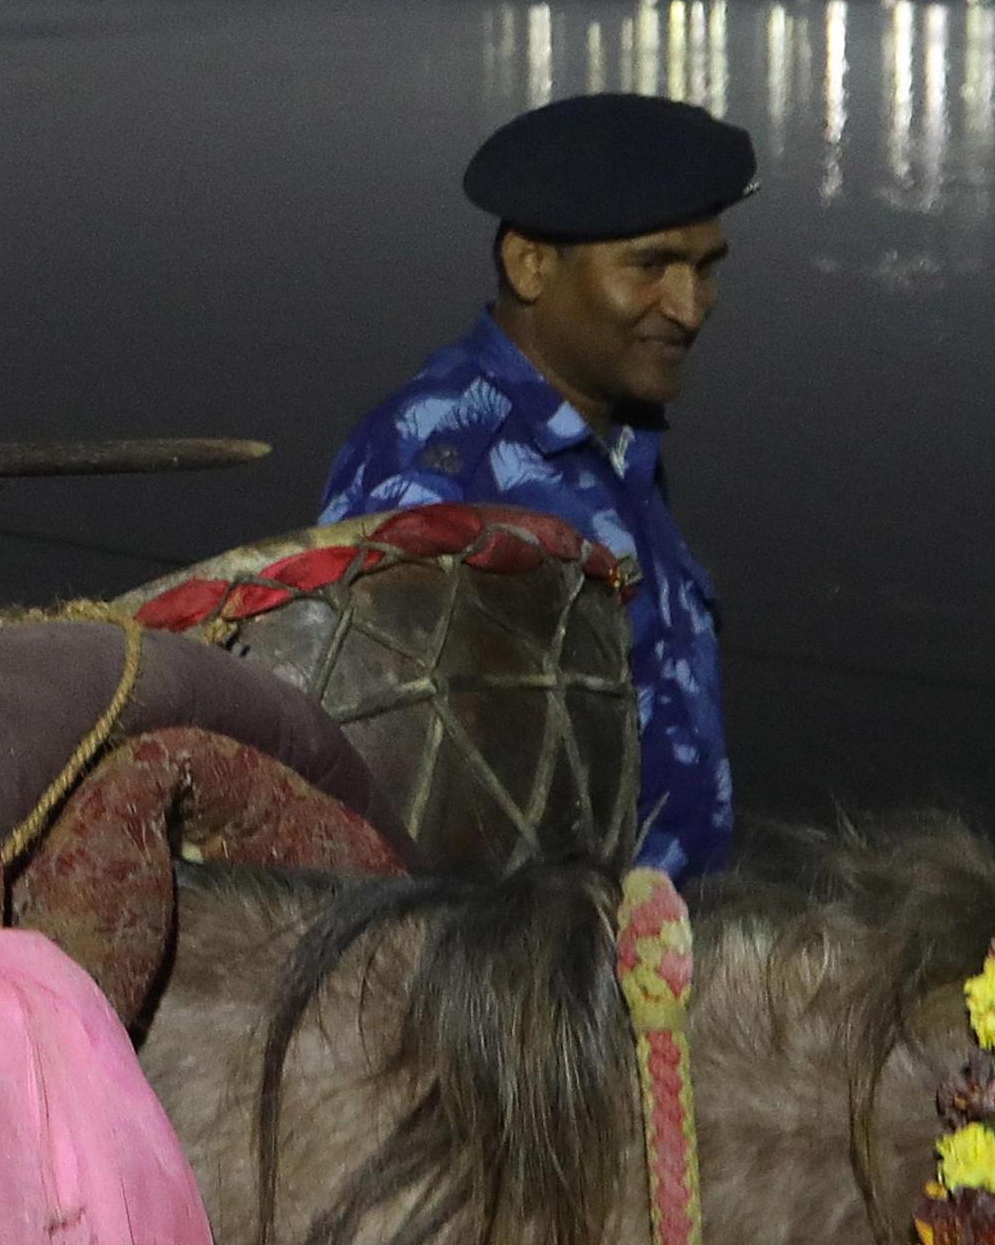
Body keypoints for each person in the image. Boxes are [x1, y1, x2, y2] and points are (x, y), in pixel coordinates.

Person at [320, 90, 753, 878]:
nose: (690, 309)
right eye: (651, 266)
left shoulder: (615, 436)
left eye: (706, 267)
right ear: (530, 265)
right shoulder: (434, 471)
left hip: (667, 958)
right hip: (544, 980)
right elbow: (382, 799)